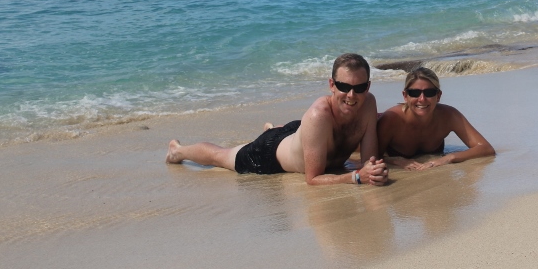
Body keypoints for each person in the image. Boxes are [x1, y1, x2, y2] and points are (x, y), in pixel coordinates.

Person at [166, 53, 388, 186]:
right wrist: (356, 177)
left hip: (299, 132)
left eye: (359, 87)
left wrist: (374, 169)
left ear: (368, 86)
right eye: (343, 86)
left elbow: (369, 161)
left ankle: (272, 129)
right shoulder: (318, 115)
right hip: (270, 154)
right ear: (332, 85)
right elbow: (312, 179)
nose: (351, 95)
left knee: (294, 135)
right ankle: (178, 151)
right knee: (221, 156)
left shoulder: (368, 103)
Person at [377, 67, 495, 170]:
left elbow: (486, 148)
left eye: (429, 92)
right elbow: (371, 157)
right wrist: (395, 160)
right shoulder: (391, 119)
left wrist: (449, 157)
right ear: (405, 96)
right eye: (415, 93)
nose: (422, 99)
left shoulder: (449, 116)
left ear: (438, 96)